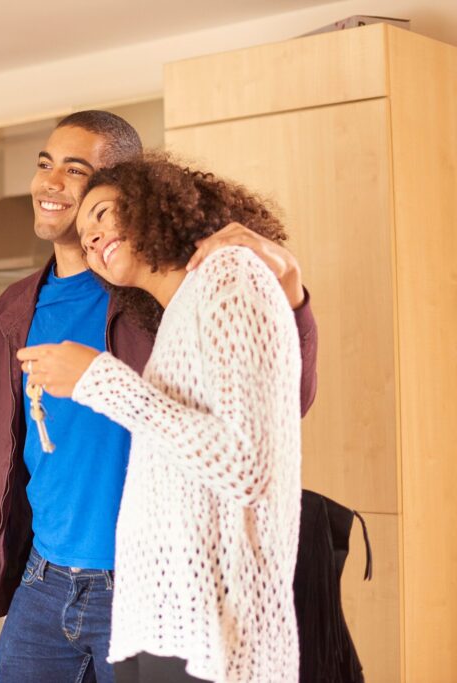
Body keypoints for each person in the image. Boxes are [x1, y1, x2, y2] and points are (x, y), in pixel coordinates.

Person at [0, 112, 318, 682]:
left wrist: (292, 294)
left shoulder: (155, 294)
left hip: (145, 591)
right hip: (41, 586)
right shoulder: (14, 311)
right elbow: (0, 466)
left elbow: (279, 411)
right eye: (44, 164)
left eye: (75, 170)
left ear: (128, 191)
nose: (51, 183)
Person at [17, 155, 304, 682]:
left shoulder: (230, 274)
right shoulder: (177, 318)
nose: (93, 239)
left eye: (102, 213)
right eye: (84, 237)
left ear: (153, 203)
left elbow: (246, 465)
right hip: (164, 625)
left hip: (212, 637)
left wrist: (100, 381)